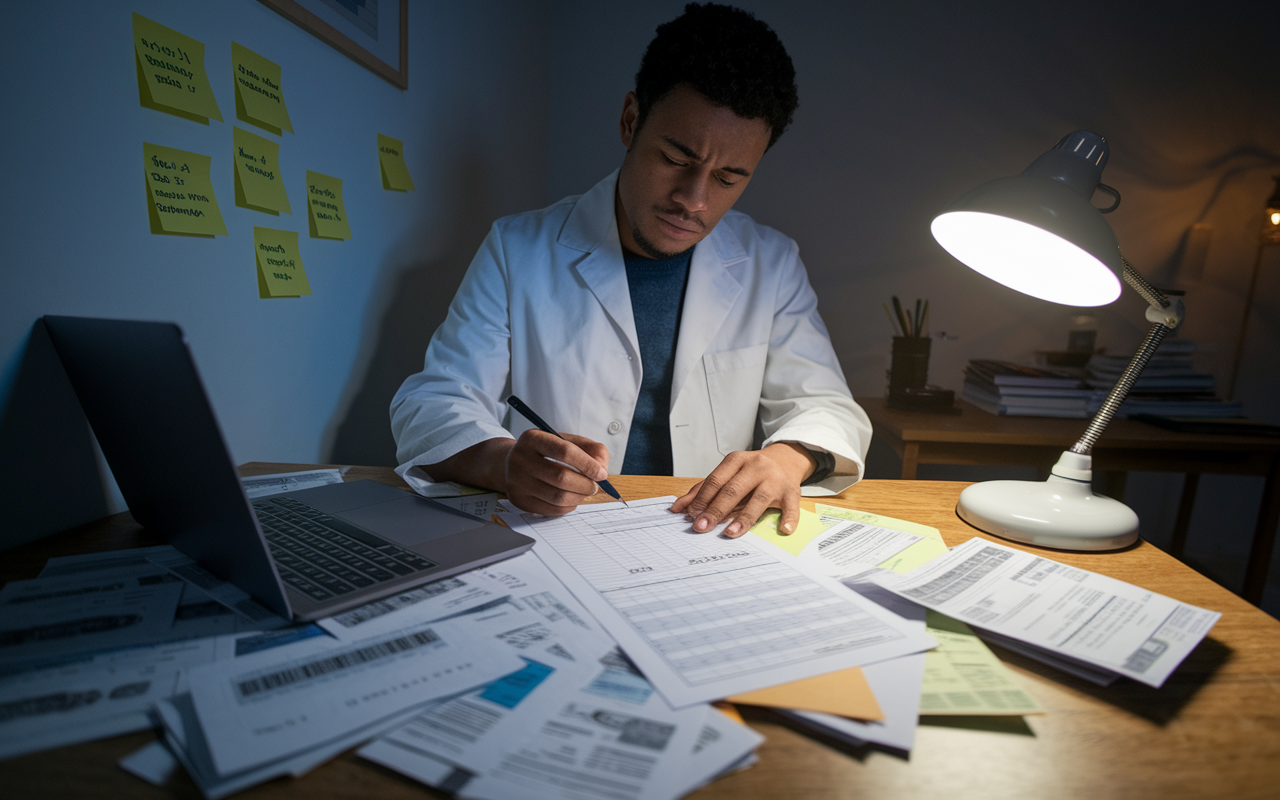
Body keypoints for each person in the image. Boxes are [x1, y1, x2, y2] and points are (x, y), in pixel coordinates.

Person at [391, 3, 870, 538]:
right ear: (630, 120)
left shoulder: (772, 262)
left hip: (707, 539)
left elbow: (827, 406)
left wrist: (787, 457)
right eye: (676, 158)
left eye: (729, 178)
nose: (694, 200)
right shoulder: (516, 248)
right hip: (559, 537)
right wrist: (503, 462)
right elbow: (435, 401)